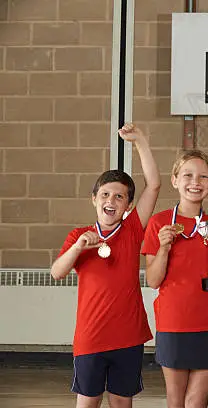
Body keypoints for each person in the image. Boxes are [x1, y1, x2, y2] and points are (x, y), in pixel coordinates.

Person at [50, 123, 160, 408]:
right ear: (94, 199)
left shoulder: (133, 230)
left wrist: (141, 142)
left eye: (119, 197)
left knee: (122, 402)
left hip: (128, 336)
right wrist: (77, 248)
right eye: (105, 195)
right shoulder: (79, 236)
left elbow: (154, 184)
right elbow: (57, 272)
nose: (111, 200)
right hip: (90, 337)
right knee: (88, 401)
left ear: (127, 206)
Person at [141, 150, 208, 408]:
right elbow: (153, 281)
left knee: (196, 402)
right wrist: (164, 249)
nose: (195, 182)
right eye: (188, 175)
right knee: (176, 401)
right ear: (175, 180)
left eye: (203, 177)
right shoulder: (159, 223)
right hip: (173, 323)